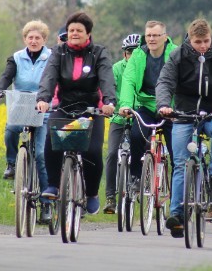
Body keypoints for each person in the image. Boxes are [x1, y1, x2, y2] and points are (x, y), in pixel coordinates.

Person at [157, 18, 212, 238]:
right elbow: (165, 82)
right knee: (181, 163)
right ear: (189, 40)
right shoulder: (178, 56)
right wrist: (164, 105)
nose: (203, 46)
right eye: (198, 42)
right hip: (184, 114)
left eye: (206, 41)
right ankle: (177, 215)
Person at [36, 12, 116, 215]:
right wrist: (43, 99)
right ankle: (53, 185)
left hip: (92, 109)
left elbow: (106, 78)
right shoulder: (59, 52)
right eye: (71, 30)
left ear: (88, 33)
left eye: (79, 30)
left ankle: (91, 194)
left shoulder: (99, 53)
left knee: (92, 151)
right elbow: (49, 76)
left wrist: (108, 101)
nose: (74, 33)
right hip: (64, 106)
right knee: (52, 142)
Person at [0, 20, 54, 222]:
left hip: (43, 105)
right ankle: (11, 163)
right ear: (25, 39)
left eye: (38, 38)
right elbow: (6, 76)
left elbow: (53, 79)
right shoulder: (17, 58)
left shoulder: (52, 58)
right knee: (11, 129)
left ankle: (46, 204)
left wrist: (49, 98)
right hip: (21, 104)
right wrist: (0, 89)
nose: (33, 41)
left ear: (44, 39)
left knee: (42, 156)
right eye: (30, 37)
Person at [118, 21, 176, 199]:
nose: (152, 39)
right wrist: (126, 104)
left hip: (170, 107)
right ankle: (136, 176)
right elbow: (128, 80)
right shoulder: (138, 54)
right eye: (149, 35)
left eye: (156, 35)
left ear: (164, 37)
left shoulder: (175, 53)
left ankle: (178, 189)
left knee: (177, 149)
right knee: (135, 135)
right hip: (146, 105)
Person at [102, 33, 140, 214]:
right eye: (129, 52)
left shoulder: (145, 68)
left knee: (140, 150)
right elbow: (109, 89)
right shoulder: (117, 68)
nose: (132, 55)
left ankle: (137, 180)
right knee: (111, 154)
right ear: (124, 54)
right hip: (119, 117)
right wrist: (109, 106)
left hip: (139, 117)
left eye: (136, 51)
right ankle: (110, 196)